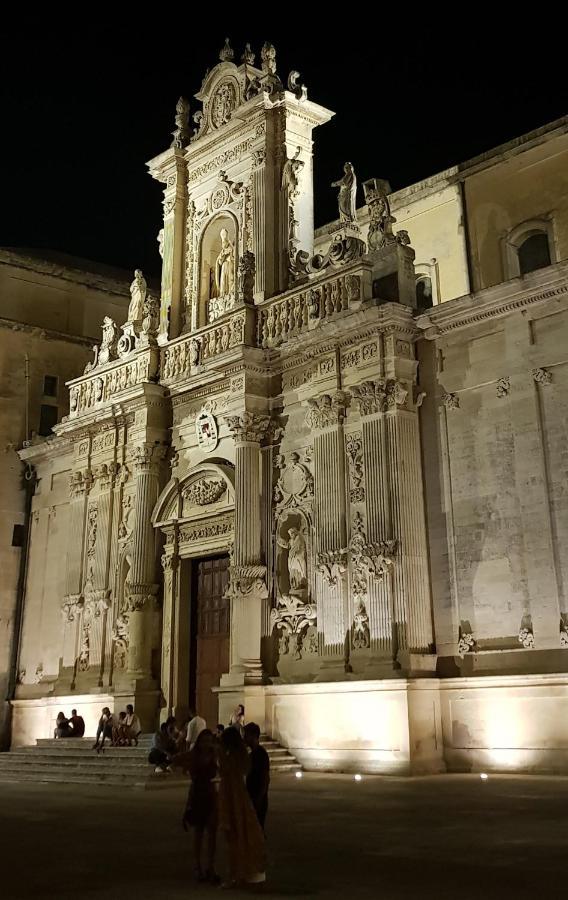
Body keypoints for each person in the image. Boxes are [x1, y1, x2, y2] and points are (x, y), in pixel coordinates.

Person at [218, 726, 266, 888]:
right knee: (246, 833)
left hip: (233, 795)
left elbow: (226, 770)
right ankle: (249, 872)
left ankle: (237, 874)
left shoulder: (232, 756)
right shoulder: (244, 755)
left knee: (235, 835)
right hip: (240, 794)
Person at [182, 729, 220, 883]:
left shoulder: (214, 755)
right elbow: (182, 764)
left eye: (209, 740)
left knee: (212, 834)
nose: (207, 743)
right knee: (198, 833)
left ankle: (210, 866)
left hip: (211, 794)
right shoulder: (194, 755)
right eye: (204, 740)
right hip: (198, 794)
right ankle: (197, 866)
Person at [244, 723, 270, 831]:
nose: (244, 738)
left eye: (246, 735)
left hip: (258, 796)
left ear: (254, 736)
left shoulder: (261, 754)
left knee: (257, 829)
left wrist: (260, 796)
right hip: (252, 795)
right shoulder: (252, 754)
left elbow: (265, 777)